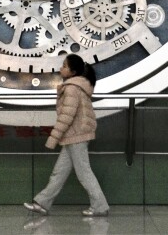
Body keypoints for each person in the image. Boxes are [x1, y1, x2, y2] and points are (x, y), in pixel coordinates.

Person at [23, 54, 109, 217]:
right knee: (59, 172)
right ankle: (42, 203)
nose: (60, 69)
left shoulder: (71, 88)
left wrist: (53, 138)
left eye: (64, 66)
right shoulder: (76, 87)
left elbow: (66, 116)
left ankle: (100, 206)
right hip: (75, 135)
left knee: (84, 172)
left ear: (73, 71)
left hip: (76, 136)